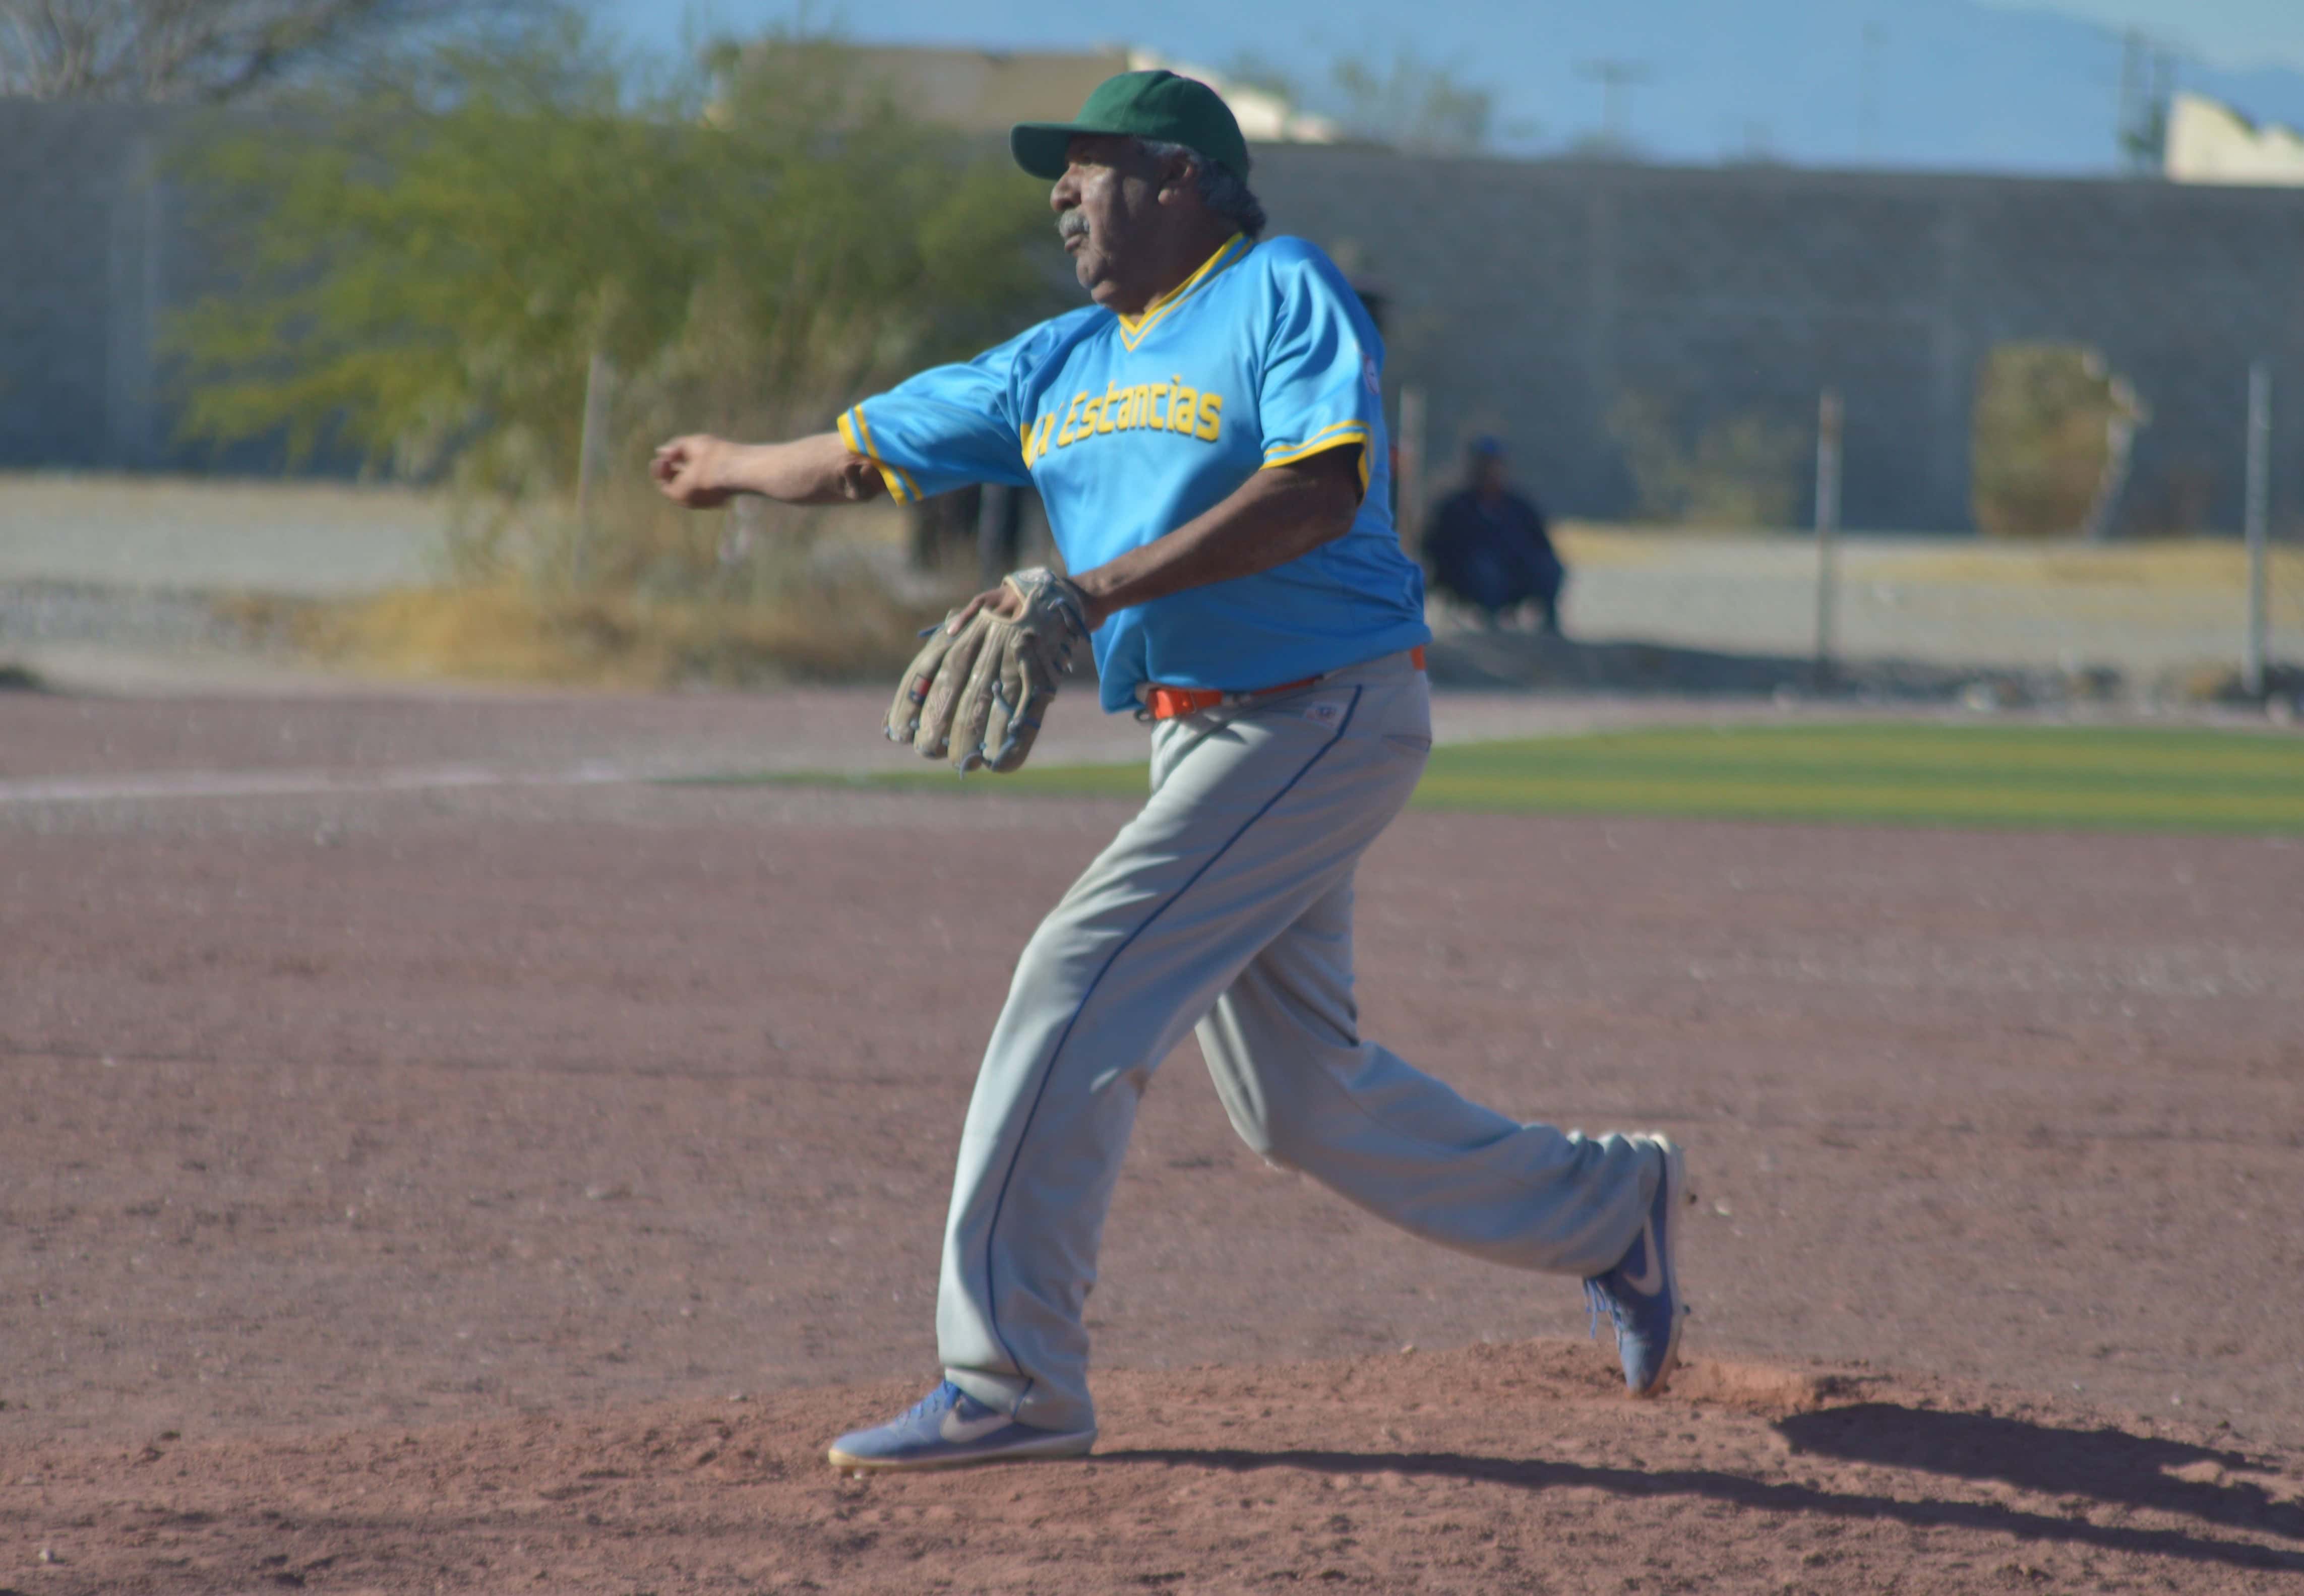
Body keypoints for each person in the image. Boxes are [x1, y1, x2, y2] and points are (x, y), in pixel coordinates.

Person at [650, 69, 1690, 1474]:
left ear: (1178, 177)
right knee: (1296, 1100)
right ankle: (1609, 1209)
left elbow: (1316, 487)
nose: (1061, 194)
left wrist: (1088, 589)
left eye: (1086, 165)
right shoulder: (1060, 361)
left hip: (1323, 707)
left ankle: (1011, 1376)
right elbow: (863, 456)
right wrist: (727, 463)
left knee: (1076, 978)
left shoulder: (1277, 289)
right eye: (1059, 174)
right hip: (1200, 732)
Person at [1425, 438, 1566, 632]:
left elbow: (1543, 545)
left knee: (1549, 567)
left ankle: (1550, 624)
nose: (1490, 472)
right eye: (1484, 465)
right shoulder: (1455, 508)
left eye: (1494, 465)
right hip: (1471, 580)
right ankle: (1491, 626)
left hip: (1516, 575)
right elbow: (1435, 550)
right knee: (1485, 570)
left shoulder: (1520, 507)